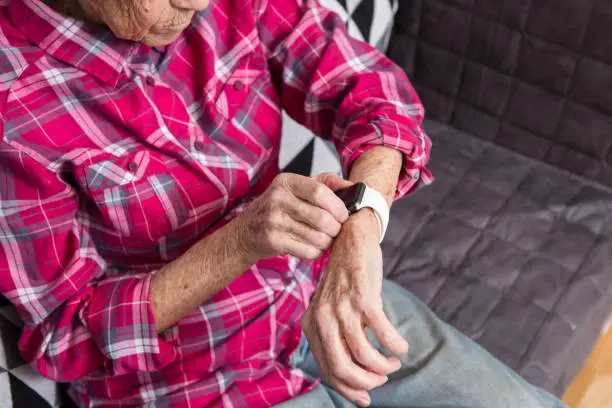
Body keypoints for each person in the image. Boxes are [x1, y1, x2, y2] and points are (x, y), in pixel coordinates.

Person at [0, 0, 567, 407]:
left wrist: (363, 226)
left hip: (309, 296)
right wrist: (243, 240)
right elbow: (64, 337)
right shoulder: (13, 108)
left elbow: (371, 90)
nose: (199, 5)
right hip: (187, 382)